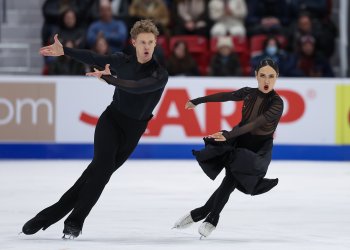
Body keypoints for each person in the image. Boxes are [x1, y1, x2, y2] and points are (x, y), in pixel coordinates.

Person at [22, 19, 168, 239]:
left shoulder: (159, 74)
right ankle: (74, 223)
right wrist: (65, 51)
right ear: (134, 42)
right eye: (142, 42)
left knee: (93, 176)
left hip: (133, 131)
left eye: (150, 42)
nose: (146, 46)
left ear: (155, 43)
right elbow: (94, 57)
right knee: (100, 174)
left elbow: (138, 88)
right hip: (111, 121)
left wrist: (109, 79)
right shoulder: (122, 60)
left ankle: (46, 217)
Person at [173, 58, 284, 238]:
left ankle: (203, 214)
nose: (266, 81)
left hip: (257, 150)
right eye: (262, 75)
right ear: (256, 75)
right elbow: (225, 96)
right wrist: (198, 101)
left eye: (271, 76)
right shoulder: (249, 93)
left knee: (230, 180)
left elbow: (257, 123)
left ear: (277, 77)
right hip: (239, 139)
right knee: (230, 180)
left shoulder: (277, 103)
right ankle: (207, 216)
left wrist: (229, 135)